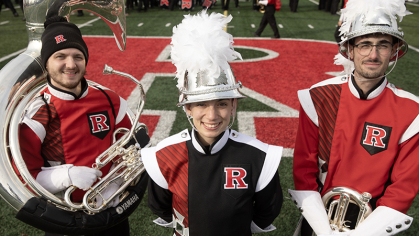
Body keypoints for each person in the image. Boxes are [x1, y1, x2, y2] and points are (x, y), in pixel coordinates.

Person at [142, 10, 283, 236]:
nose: (212, 115)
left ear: (234, 105)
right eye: (201, 104)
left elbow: (267, 210)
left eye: (222, 104)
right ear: (187, 107)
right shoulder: (165, 155)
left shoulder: (259, 156)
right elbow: (160, 207)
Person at [289, 0, 419, 235]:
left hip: (375, 224)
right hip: (318, 219)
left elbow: (402, 189)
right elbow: (303, 171)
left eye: (383, 45)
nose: (373, 54)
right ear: (349, 49)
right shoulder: (319, 96)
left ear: (394, 51)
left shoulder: (413, 111)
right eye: (364, 45)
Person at [18, 16, 141, 236]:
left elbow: (133, 149)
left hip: (112, 213)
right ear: (46, 62)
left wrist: (118, 180)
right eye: (60, 56)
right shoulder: (36, 113)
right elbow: (26, 178)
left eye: (78, 56)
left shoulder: (110, 99)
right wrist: (68, 175)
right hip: (64, 220)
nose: (71, 64)